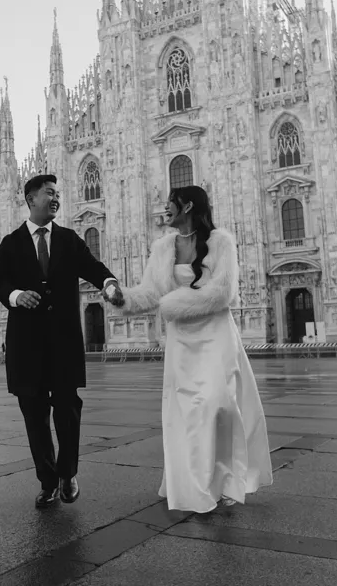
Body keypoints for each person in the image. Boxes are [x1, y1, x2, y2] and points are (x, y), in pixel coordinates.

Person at [115, 185, 272, 513]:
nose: (165, 210)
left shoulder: (221, 242)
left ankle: (226, 478)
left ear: (186, 206)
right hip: (181, 343)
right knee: (185, 412)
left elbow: (223, 292)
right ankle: (192, 484)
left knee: (217, 403)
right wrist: (124, 298)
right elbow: (151, 292)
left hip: (215, 335)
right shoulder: (163, 247)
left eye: (170, 204)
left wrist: (175, 303)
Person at [0, 174, 120, 509]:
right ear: (31, 199)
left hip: (63, 341)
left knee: (67, 410)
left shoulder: (69, 239)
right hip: (27, 344)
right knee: (34, 414)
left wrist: (107, 283)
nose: (56, 198)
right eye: (50, 193)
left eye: (58, 193)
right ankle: (47, 480)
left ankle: (68, 473)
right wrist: (16, 296)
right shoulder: (11, 243)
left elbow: (92, 266)